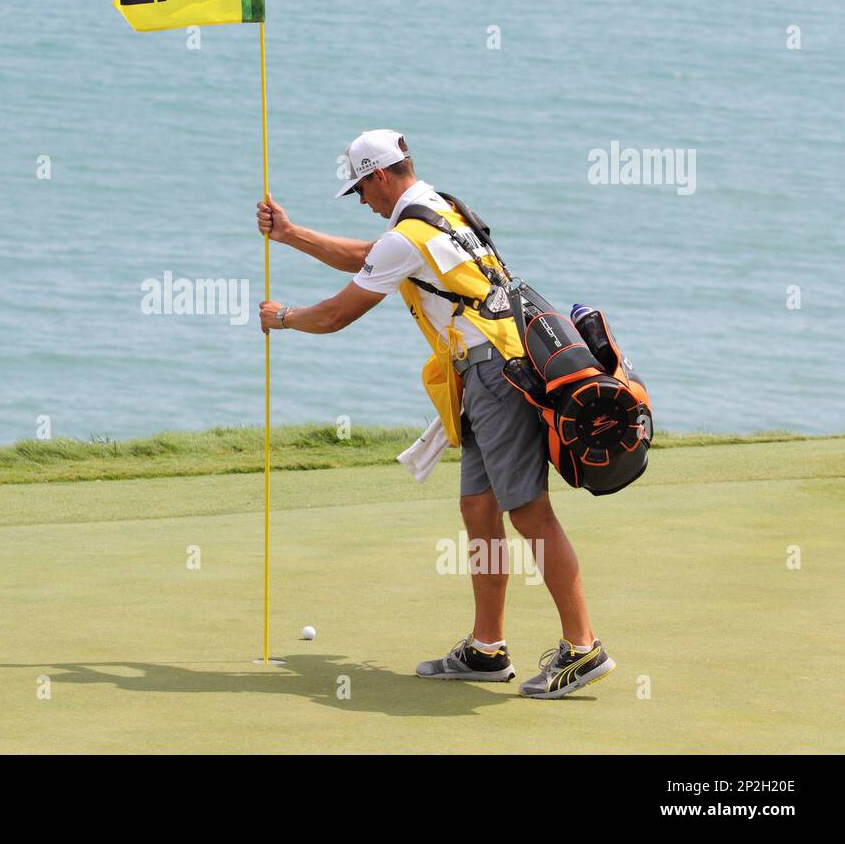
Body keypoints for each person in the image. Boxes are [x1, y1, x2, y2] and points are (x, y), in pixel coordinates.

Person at [256, 129, 615, 699]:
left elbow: (335, 316)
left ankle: (583, 647)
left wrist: (283, 318)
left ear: (378, 176)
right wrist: (292, 234)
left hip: (495, 374)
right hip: (489, 370)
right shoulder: (441, 207)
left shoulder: (408, 233)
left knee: (529, 514)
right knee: (478, 508)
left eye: (360, 191)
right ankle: (486, 648)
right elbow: (372, 257)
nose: (364, 202)